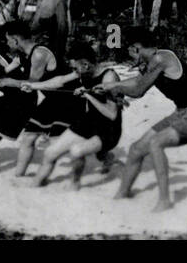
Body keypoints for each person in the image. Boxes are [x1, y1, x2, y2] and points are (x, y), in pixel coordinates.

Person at [102, 26, 187, 212]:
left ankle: (164, 201)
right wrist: (109, 85)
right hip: (179, 114)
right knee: (136, 149)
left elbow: (138, 91)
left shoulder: (160, 58)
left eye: (130, 50)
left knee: (156, 143)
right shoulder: (152, 62)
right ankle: (122, 195)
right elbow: (136, 81)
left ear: (136, 48)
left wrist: (115, 87)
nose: (130, 55)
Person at [0, 20, 64, 177]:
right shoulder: (23, 55)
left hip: (66, 99)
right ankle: (19, 177)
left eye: (8, 40)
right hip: (50, 99)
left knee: (75, 139)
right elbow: (6, 70)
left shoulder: (38, 54)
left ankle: (106, 157)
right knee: (29, 138)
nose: (7, 44)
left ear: (15, 39)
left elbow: (32, 84)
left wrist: (10, 82)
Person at [31, 41, 123, 188]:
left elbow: (112, 114)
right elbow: (59, 81)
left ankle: (75, 184)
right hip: (90, 121)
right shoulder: (84, 70)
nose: (74, 71)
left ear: (85, 64)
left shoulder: (109, 77)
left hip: (109, 129)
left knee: (76, 151)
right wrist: (32, 86)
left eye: (75, 68)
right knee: (50, 152)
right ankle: (35, 185)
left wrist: (88, 96)